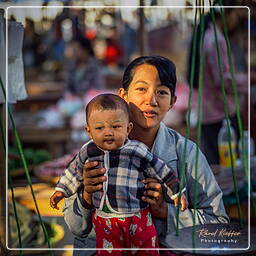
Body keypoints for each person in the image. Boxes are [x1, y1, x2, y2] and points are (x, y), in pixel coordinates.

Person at [62, 56, 229, 256]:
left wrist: (167, 212)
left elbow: (218, 222)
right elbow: (76, 228)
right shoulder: (94, 151)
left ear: (172, 102)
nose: (151, 100)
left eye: (162, 92)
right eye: (141, 89)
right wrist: (87, 196)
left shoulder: (185, 153)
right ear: (123, 95)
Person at [51, 94, 188, 255]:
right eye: (99, 128)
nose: (108, 133)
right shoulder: (88, 151)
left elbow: (161, 170)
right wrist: (61, 191)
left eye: (116, 127)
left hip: (138, 217)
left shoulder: (137, 150)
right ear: (88, 131)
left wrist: (176, 192)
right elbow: (73, 171)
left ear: (128, 128)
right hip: (105, 220)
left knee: (146, 250)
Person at [187, 3, 248, 165]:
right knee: (228, 164)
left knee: (217, 163)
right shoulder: (216, 40)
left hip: (208, 112)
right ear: (228, 14)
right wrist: (249, 79)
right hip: (221, 112)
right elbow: (224, 81)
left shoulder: (207, 35)